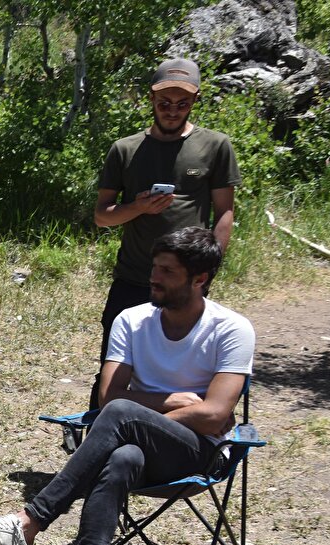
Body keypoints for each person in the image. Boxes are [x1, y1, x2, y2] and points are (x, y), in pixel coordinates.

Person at [0, 227, 254, 545]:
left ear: (200, 278)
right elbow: (108, 396)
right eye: (154, 267)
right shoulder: (131, 320)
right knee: (122, 458)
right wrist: (167, 402)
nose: (155, 277)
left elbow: (215, 414)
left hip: (195, 454)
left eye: (167, 271)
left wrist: (140, 410)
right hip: (134, 446)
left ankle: (28, 523)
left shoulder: (232, 329)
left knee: (121, 417)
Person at [90, 57, 241, 409]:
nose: (172, 111)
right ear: (151, 101)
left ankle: (181, 431)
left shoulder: (215, 145)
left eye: (182, 103)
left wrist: (209, 268)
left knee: (184, 361)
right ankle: (96, 427)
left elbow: (225, 212)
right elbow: (102, 216)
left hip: (187, 279)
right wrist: (138, 207)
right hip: (133, 275)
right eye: (164, 103)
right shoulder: (125, 150)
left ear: (195, 101)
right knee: (114, 359)